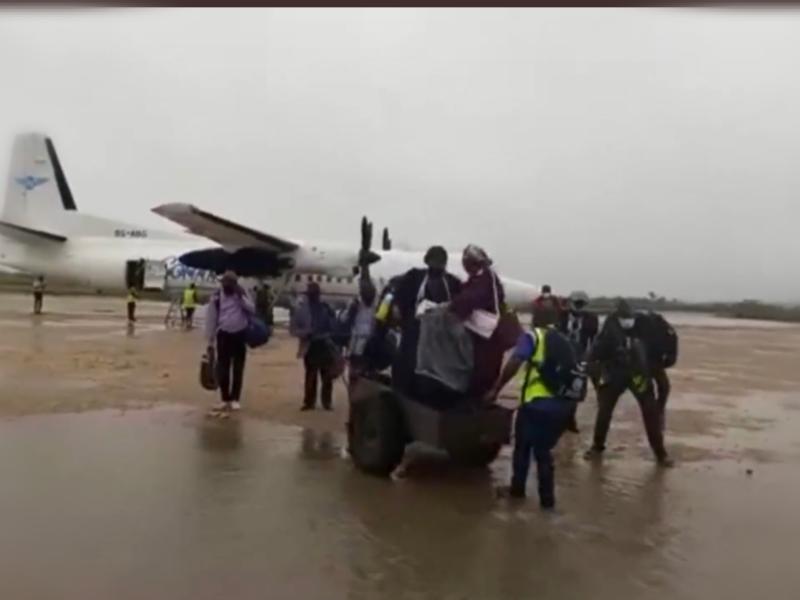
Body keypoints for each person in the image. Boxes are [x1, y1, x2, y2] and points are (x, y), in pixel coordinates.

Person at [485, 308, 578, 509]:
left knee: (523, 447)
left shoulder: (532, 336)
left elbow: (515, 361)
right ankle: (547, 504)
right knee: (543, 453)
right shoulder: (563, 340)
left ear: (535, 320)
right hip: (562, 407)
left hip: (536, 405)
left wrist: (496, 388)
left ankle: (518, 491)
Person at [583, 300, 674, 466]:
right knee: (604, 411)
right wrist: (598, 378)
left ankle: (660, 453)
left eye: (630, 317)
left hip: (639, 374)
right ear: (617, 317)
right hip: (615, 373)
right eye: (624, 317)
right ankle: (597, 447)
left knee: (650, 411)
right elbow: (595, 354)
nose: (627, 320)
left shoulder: (647, 326)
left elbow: (662, 349)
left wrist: (658, 369)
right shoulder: (609, 328)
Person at [391, 246, 462, 394]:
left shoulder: (452, 283)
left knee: (433, 374)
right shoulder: (414, 277)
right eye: (433, 265)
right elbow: (398, 297)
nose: (436, 269)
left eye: (439, 266)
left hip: (439, 337)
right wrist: (396, 307)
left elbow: (461, 304)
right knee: (407, 367)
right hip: (414, 332)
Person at [449, 244, 506, 397]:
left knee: (482, 371)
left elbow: (471, 298)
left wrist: (453, 305)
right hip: (481, 336)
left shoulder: (486, 279)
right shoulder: (480, 279)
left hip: (486, 336)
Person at [205, 270, 255, 412]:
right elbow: (211, 318)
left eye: (230, 284)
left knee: (238, 368)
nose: (227, 286)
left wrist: (240, 298)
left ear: (234, 284)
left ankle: (235, 399)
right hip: (223, 335)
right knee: (223, 368)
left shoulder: (242, 293)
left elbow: (252, 309)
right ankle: (224, 398)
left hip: (240, 334)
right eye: (225, 283)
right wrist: (209, 340)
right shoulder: (216, 297)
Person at [291, 282, 338, 411]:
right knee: (310, 376)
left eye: (315, 294)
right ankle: (309, 402)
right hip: (310, 345)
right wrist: (305, 333)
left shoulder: (326, 308)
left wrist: (331, 326)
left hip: (324, 344)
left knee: (327, 376)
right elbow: (294, 329)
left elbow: (333, 326)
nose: (314, 296)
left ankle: (326, 402)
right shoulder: (301, 310)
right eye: (311, 294)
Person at [557, 290, 599, 433]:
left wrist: (590, 357)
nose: (579, 306)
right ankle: (559, 418)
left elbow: (594, 340)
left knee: (576, 389)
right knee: (559, 386)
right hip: (561, 354)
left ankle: (570, 419)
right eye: (577, 303)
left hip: (580, 356)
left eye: (582, 304)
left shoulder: (592, 319)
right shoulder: (561, 316)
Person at [341, 279, 378, 383]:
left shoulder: (362, 305)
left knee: (358, 369)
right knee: (357, 369)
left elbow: (344, 319)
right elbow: (345, 319)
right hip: (360, 342)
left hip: (363, 343)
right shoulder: (358, 305)